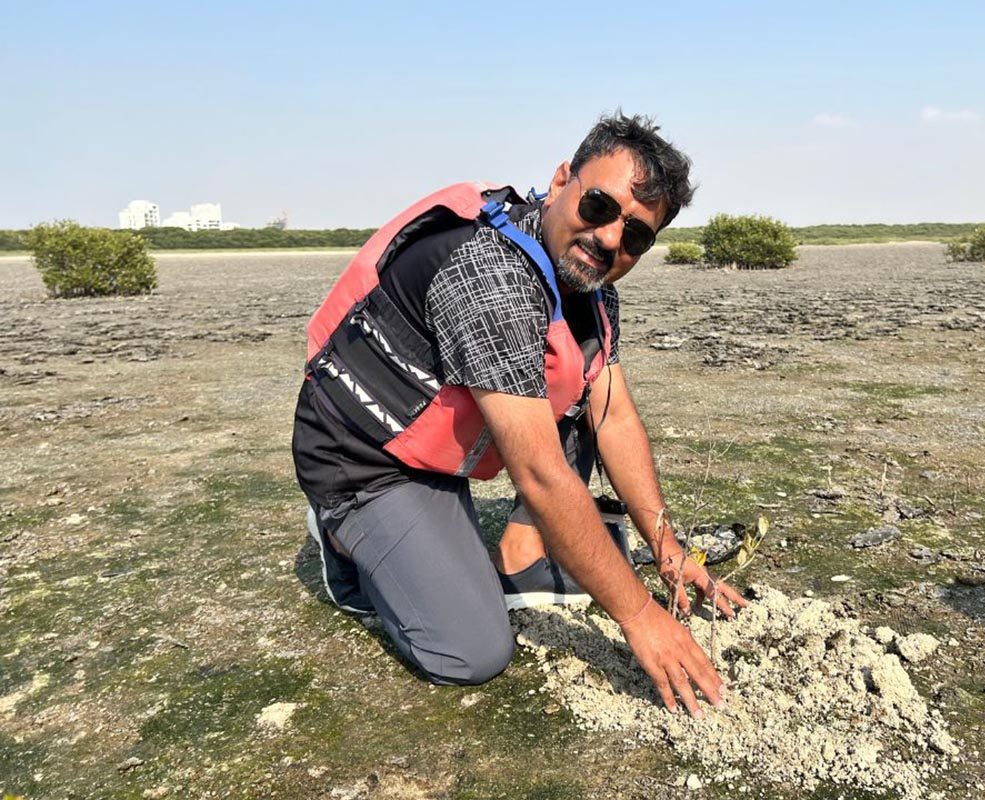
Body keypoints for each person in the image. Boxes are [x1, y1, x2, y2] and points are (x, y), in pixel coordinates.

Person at [292, 112, 747, 718]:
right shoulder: (492, 276)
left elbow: (612, 416)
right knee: (470, 652)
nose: (611, 239)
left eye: (636, 235)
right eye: (598, 206)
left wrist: (667, 548)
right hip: (366, 457)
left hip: (443, 441)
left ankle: (519, 558)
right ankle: (343, 537)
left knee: (576, 399)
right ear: (562, 181)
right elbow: (538, 472)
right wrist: (641, 617)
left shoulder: (589, 281)